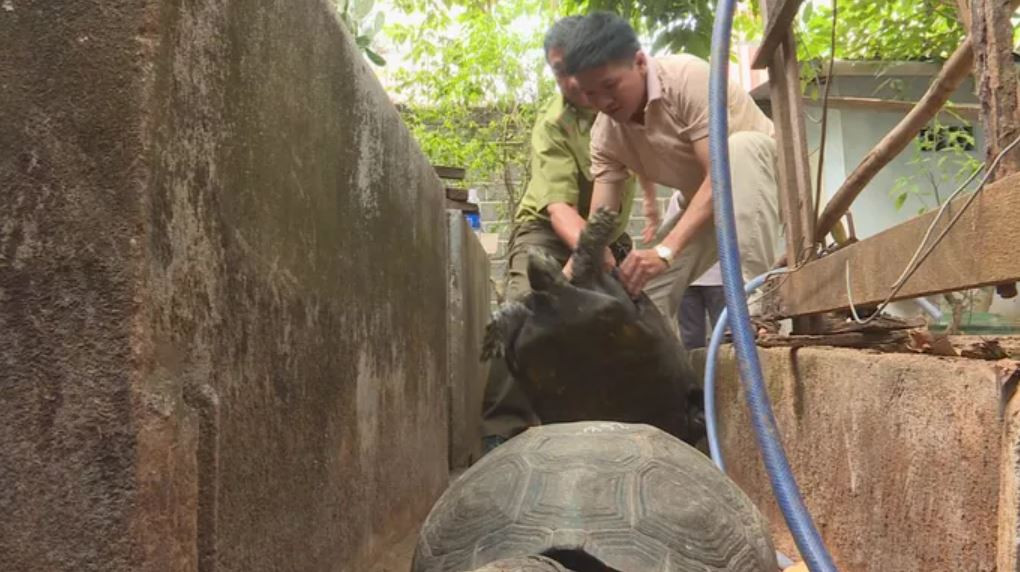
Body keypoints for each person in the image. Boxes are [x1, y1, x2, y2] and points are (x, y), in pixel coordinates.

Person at [561, 11, 783, 333]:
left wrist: (666, 249)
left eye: (610, 85)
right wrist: (561, 287)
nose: (603, 101)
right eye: (590, 93)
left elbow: (718, 175)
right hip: (709, 205)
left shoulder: (686, 78)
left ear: (639, 62)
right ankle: (658, 375)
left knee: (739, 149)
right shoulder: (605, 134)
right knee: (639, 293)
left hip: (770, 188)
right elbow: (599, 224)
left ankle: (757, 314)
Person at [480, 16, 643, 452]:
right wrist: (589, 253)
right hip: (550, 229)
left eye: (575, 68)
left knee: (630, 321)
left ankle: (622, 433)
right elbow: (558, 208)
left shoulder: (628, 101)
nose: (570, 82)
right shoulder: (553, 123)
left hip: (609, 234)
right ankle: (502, 432)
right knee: (521, 313)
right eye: (558, 72)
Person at [664, 191, 726, 349]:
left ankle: (725, 372)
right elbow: (668, 233)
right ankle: (698, 372)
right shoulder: (677, 197)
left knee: (726, 335)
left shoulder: (718, 192)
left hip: (719, 278)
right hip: (688, 280)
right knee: (690, 338)